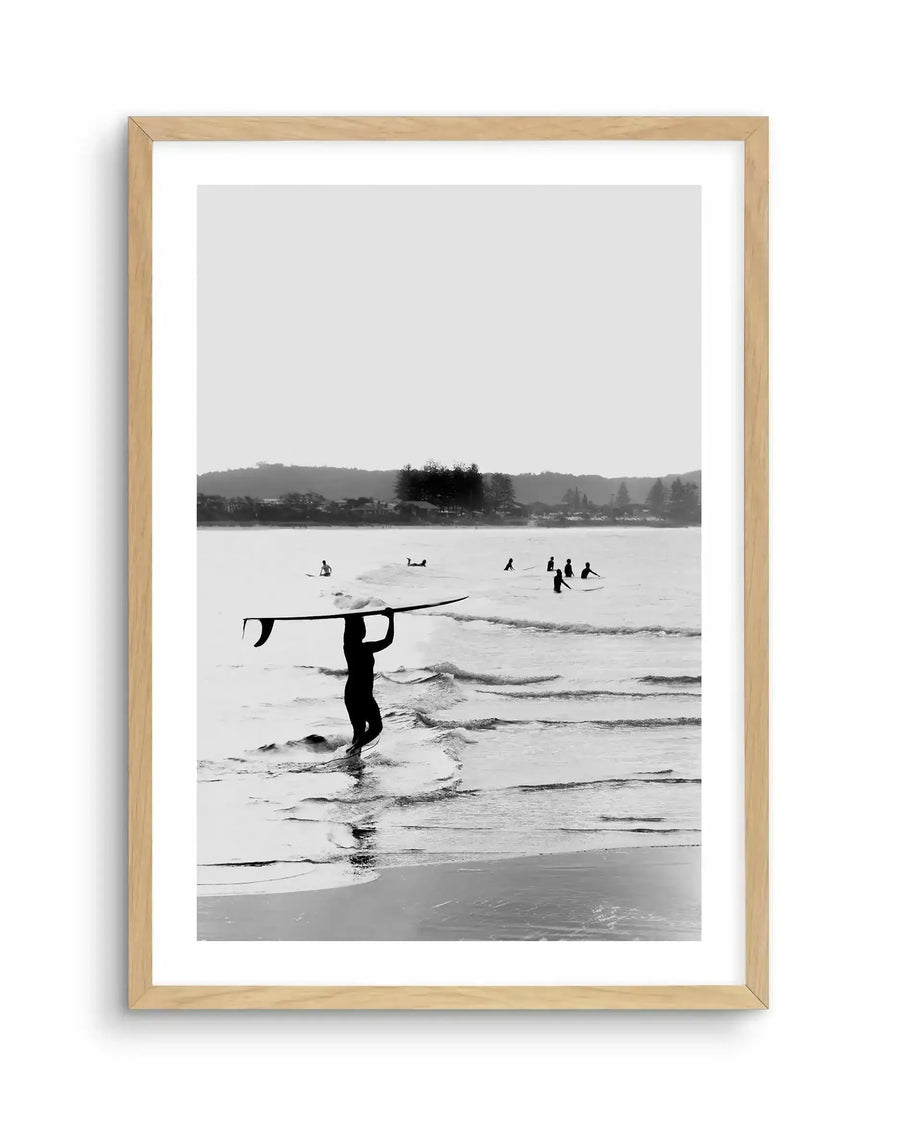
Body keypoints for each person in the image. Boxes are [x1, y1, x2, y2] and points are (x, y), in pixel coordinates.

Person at [342, 608, 394, 751]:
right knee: (376, 727)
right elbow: (388, 640)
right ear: (361, 631)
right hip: (362, 694)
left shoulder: (349, 647)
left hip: (351, 693)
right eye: (363, 626)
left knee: (359, 730)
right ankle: (353, 750)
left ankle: (354, 762)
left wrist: (350, 618)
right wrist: (391, 618)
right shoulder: (365, 648)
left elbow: (349, 629)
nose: (364, 629)